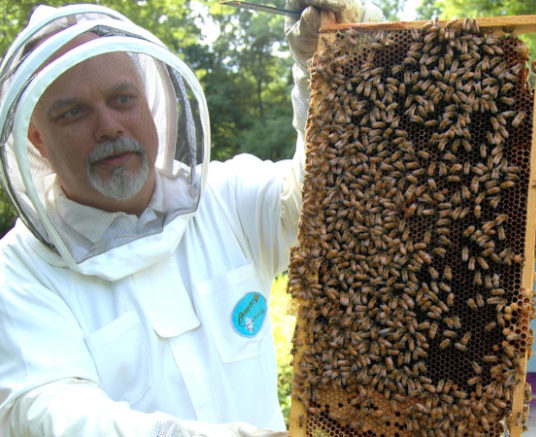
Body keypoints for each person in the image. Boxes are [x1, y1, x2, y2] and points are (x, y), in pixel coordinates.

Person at [0, 1, 382, 436]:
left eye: (122, 99)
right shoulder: (19, 276)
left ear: (150, 101)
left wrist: (341, 65)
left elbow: (332, 202)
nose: (108, 125)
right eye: (73, 112)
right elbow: (52, 416)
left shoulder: (225, 200)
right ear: (37, 139)